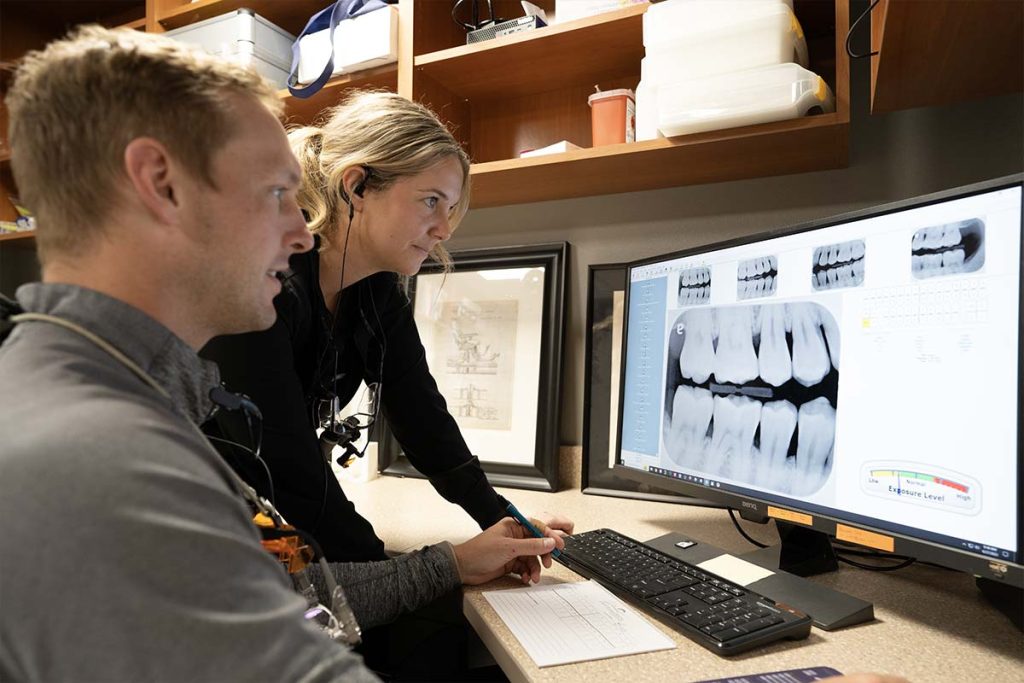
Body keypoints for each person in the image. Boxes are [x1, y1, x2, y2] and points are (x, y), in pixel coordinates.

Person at [0, 26, 562, 682]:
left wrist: (482, 535)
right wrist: (437, 567)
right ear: (161, 183)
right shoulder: (93, 453)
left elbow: (291, 588)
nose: (301, 232)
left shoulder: (142, 397)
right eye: (275, 194)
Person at [200, 90, 574, 564]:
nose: (445, 228)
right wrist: (398, 572)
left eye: (450, 208)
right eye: (430, 201)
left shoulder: (376, 294)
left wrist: (503, 519)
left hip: (263, 511)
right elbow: (288, 470)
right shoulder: (261, 284)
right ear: (356, 187)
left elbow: (423, 419)